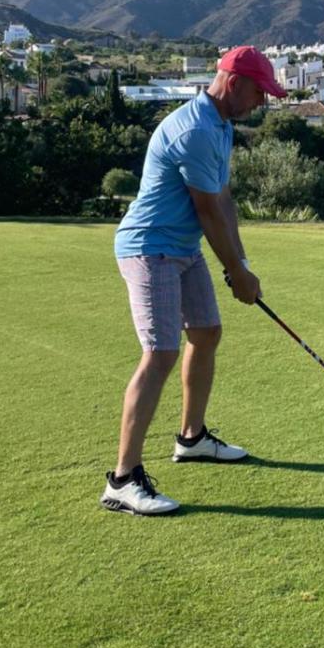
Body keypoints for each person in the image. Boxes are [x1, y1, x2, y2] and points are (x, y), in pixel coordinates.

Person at [100, 46, 287, 515]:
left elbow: (223, 200)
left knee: (205, 332)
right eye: (259, 92)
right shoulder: (196, 131)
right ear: (234, 82)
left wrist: (241, 263)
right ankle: (122, 480)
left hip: (182, 248)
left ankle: (192, 438)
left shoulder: (220, 125)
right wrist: (236, 273)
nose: (262, 102)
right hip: (150, 248)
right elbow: (206, 211)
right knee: (160, 352)